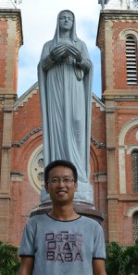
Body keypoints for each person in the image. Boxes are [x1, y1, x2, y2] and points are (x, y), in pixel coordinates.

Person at [38, 11, 93, 204]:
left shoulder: (81, 45)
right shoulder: (48, 45)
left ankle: (79, 177)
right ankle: (56, 173)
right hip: (56, 93)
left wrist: (80, 58)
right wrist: (52, 57)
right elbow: (42, 66)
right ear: (57, 22)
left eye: (69, 18)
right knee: (58, 130)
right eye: (62, 17)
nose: (66, 20)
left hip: (75, 91)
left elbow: (88, 66)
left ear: (74, 23)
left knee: (77, 124)